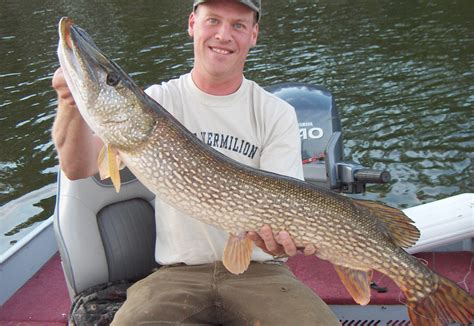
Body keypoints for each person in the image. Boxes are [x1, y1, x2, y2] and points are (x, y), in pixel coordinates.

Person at [52, 0, 340, 324]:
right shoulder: (161, 101)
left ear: (254, 34)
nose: (223, 35)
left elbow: (279, 237)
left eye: (238, 25)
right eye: (213, 20)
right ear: (192, 24)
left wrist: (280, 244)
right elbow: (77, 167)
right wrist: (69, 103)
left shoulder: (275, 113)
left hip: (261, 275)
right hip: (176, 276)